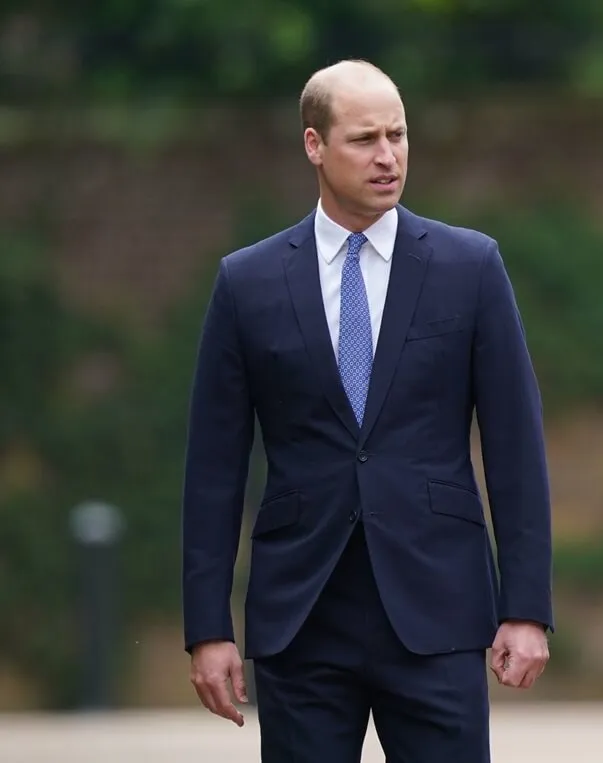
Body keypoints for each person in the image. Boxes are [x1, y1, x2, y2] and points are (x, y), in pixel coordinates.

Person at [181, 59, 553, 762]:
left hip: (438, 608)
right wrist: (208, 627)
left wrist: (526, 608)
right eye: (364, 139)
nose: (388, 157)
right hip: (301, 614)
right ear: (314, 145)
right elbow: (212, 470)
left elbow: (515, 449)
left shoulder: (470, 266)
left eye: (399, 135)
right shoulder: (247, 282)